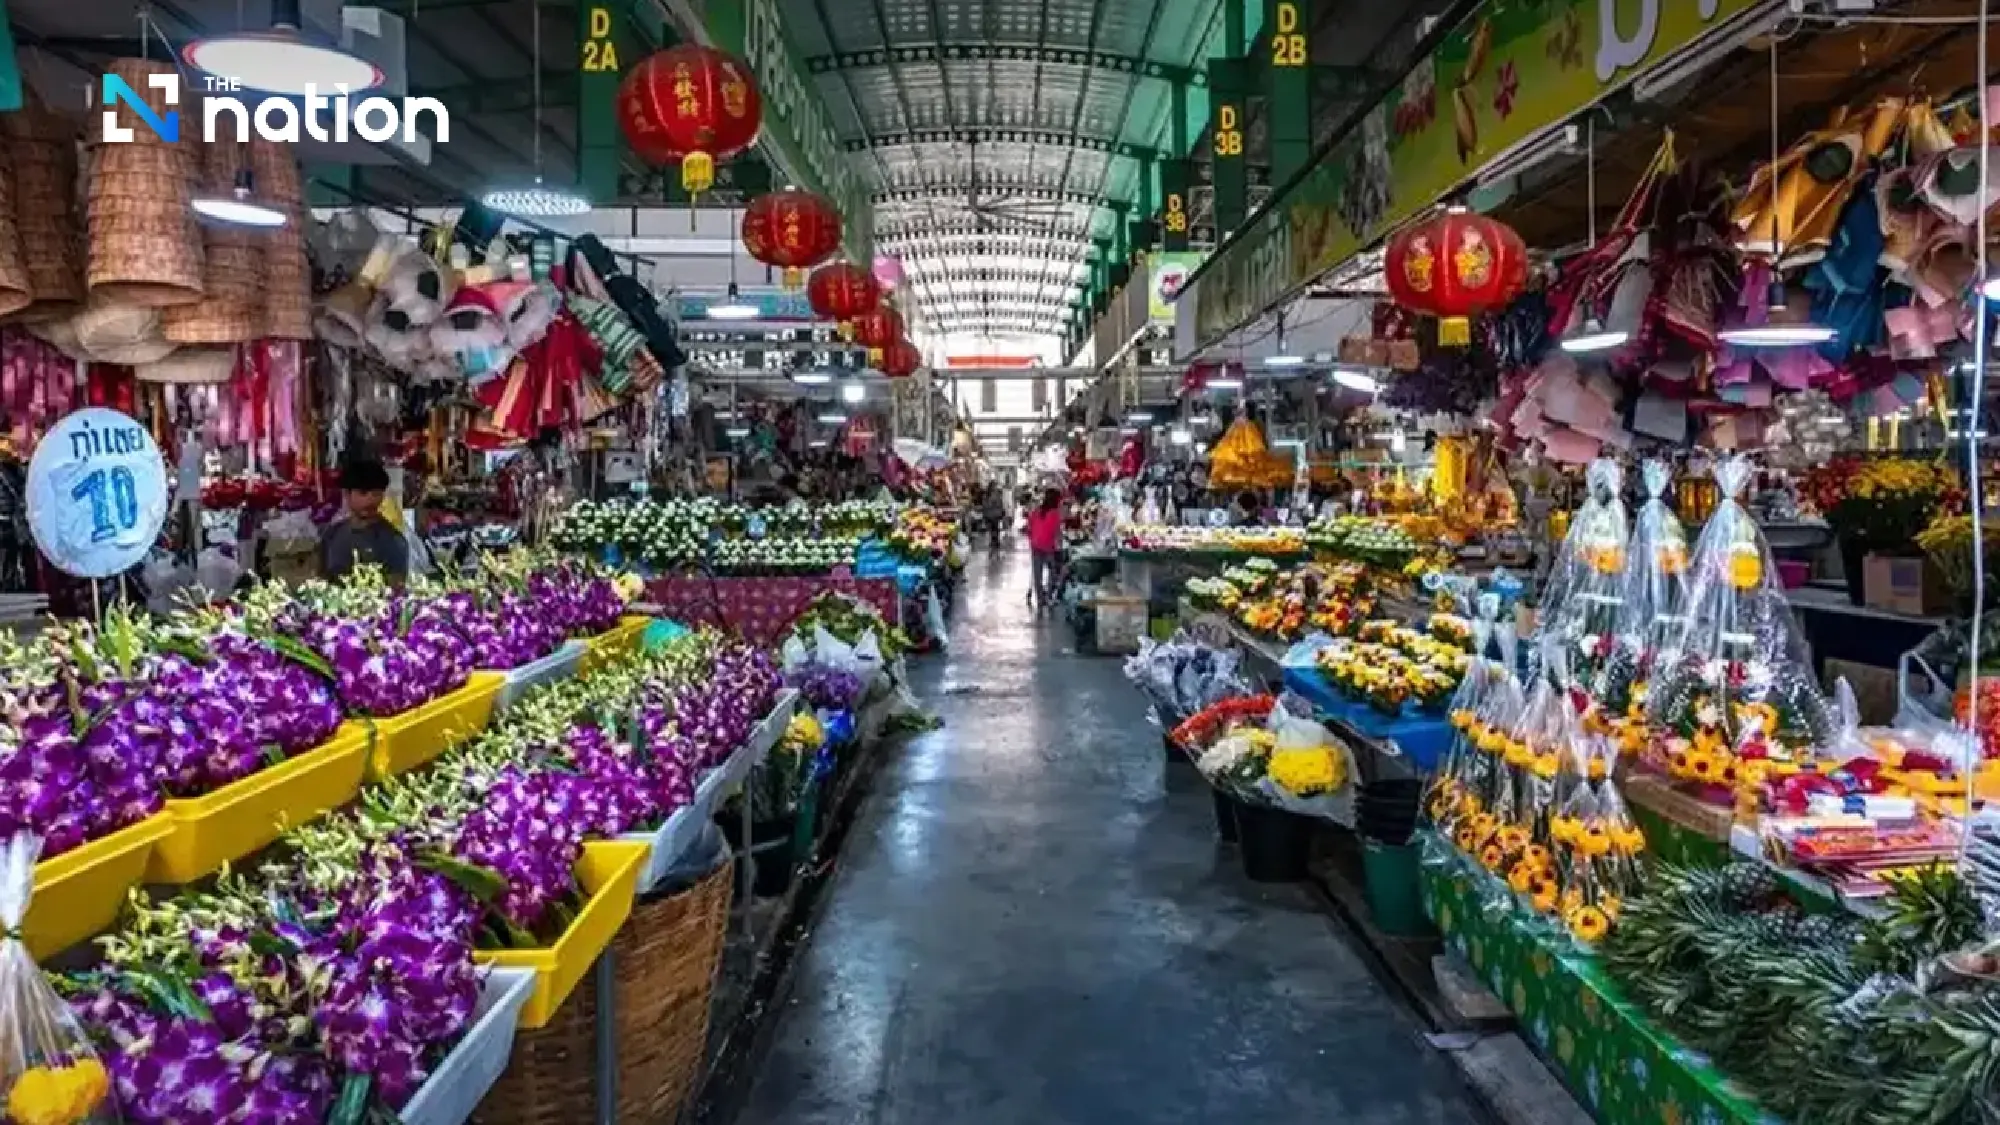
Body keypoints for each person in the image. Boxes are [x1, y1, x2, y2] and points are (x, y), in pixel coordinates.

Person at [320, 459, 409, 582]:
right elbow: (321, 580)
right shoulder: (332, 534)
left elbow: (395, 591)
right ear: (346, 494)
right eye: (363, 493)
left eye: (376, 494)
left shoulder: (393, 541)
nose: (370, 500)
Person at [1025, 488, 1064, 610]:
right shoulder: (1055, 514)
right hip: (1048, 547)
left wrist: (1032, 539)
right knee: (1053, 572)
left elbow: (1028, 527)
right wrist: (1060, 544)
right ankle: (1048, 595)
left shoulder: (1036, 511)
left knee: (1037, 574)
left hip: (1036, 545)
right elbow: (1057, 532)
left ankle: (1040, 599)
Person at [981, 484, 1007, 549]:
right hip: (995, 514)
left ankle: (994, 541)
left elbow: (984, 505)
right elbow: (999, 504)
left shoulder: (986, 496)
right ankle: (995, 541)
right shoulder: (996, 495)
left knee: (992, 529)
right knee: (995, 528)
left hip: (990, 514)